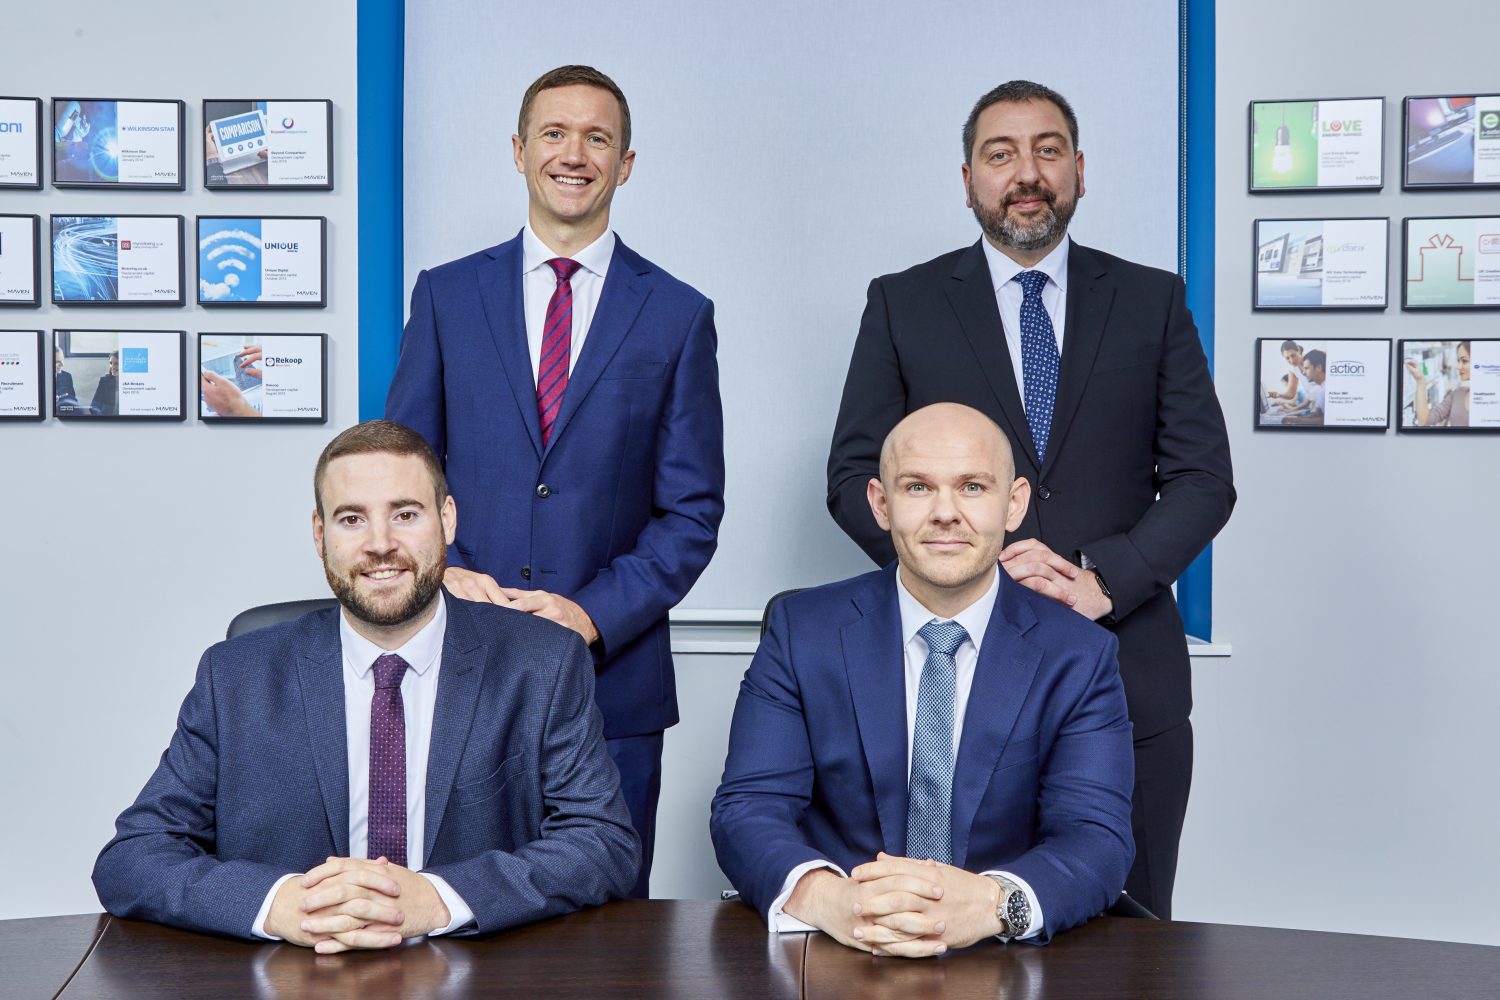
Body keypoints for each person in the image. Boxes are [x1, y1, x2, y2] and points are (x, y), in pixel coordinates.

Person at [825, 81, 1234, 918]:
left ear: (1080, 171)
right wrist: (971, 577)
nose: (1027, 173)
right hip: (956, 674)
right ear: (968, 176)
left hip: (1127, 669)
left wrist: (1102, 580)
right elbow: (851, 476)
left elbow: (1203, 478)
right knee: (962, 924)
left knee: (1132, 935)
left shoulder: (1152, 300)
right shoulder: (904, 302)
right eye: (1001, 154)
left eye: (1048, 151)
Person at [93, 420, 639, 949]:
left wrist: (440, 898)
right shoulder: (236, 675)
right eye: (351, 519)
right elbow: (135, 856)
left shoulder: (542, 662)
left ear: (447, 520)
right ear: (319, 533)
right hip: (291, 977)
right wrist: (280, 903)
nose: (380, 544)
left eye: (405, 514)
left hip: (475, 972)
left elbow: (602, 843)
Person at [386, 65, 724, 898]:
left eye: (597, 137)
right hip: (459, 657)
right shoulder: (445, 296)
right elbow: (403, 472)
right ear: (518, 150)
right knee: (451, 909)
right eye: (554, 133)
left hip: (613, 689)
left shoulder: (678, 314)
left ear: (626, 162)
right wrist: (449, 572)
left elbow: (691, 512)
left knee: (605, 926)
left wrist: (589, 615)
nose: (575, 154)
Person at [714, 404, 1133, 955]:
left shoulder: (1080, 655)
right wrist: (828, 899)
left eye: (973, 487)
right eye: (917, 487)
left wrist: (989, 905)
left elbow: (1095, 838)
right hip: (842, 943)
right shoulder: (803, 632)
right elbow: (749, 807)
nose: (945, 513)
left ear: (1015, 503)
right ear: (881, 505)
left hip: (1001, 954)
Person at [1406, 341, 1470, 427]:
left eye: (1464, 361)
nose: (1458, 367)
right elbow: (1424, 420)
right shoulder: (1457, 394)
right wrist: (1420, 381)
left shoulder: (1492, 400)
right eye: (1458, 361)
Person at [91, 351, 119, 416]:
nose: (112, 367)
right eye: (111, 363)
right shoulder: (105, 381)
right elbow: (94, 406)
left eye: (116, 363)